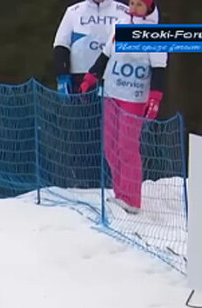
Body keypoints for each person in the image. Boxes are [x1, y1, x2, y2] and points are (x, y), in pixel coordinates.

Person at [78, 0, 165, 213]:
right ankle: (120, 193)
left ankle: (132, 198)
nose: (134, 8)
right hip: (112, 92)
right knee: (111, 146)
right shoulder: (121, 23)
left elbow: (160, 68)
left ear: (149, 8)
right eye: (132, 3)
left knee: (127, 146)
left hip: (134, 96)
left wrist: (155, 98)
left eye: (140, 5)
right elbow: (107, 54)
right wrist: (91, 75)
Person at [53, 0, 139, 95]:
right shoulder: (73, 11)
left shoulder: (124, 12)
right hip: (80, 79)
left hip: (114, 78)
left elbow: (140, 48)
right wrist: (62, 76)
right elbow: (61, 45)